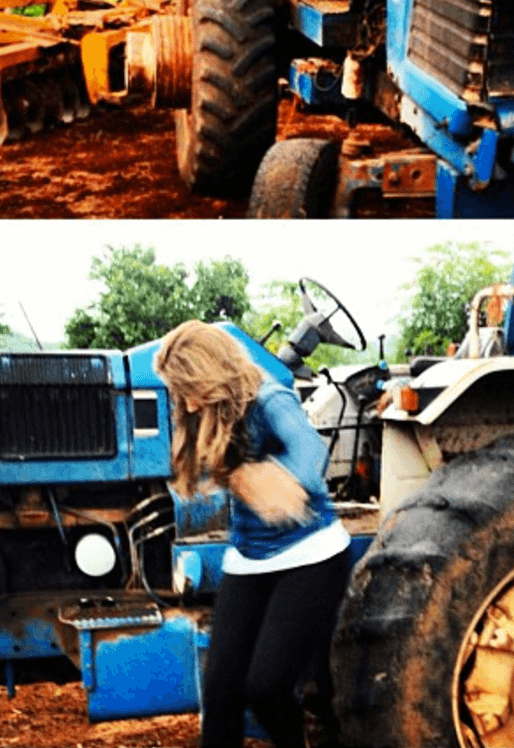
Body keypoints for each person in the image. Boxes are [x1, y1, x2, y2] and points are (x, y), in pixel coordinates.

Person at [155, 320, 351, 748]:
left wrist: (276, 482)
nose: (186, 406)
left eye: (190, 389)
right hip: (248, 558)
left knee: (266, 689)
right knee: (220, 695)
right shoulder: (205, 408)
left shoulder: (269, 398)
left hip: (310, 556)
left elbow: (310, 452)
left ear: (213, 373)